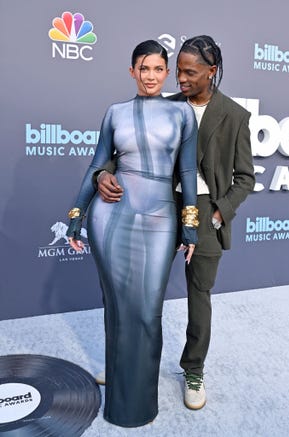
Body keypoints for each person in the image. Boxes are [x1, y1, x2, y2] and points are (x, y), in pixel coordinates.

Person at [95, 35, 255, 411]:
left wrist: (217, 213)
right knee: (135, 291)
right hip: (161, 206)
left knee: (198, 294)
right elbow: (121, 154)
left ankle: (193, 369)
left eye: (189, 72)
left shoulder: (235, 116)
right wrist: (102, 174)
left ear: (211, 72)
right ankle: (125, 363)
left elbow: (245, 177)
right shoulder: (163, 107)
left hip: (205, 211)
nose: (179, 79)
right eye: (178, 71)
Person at [66, 40, 199, 427]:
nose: (152, 76)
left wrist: (189, 225)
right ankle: (120, 401)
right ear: (132, 72)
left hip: (160, 218)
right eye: (144, 69)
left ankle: (141, 401)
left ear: (167, 72)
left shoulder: (182, 115)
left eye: (159, 69)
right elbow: (98, 162)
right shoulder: (115, 112)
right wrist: (77, 213)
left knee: (147, 312)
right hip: (112, 216)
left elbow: (187, 173)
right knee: (121, 309)